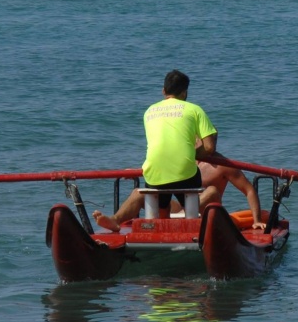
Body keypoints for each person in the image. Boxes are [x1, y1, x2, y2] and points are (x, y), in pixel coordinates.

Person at [93, 69, 217, 230]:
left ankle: (117, 219)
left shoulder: (149, 111)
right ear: (185, 92)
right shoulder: (194, 109)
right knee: (190, 182)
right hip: (185, 173)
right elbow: (209, 147)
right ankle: (200, 224)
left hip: (153, 173)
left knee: (158, 193)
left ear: (163, 91)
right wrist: (193, 153)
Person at [93, 152, 264, 230]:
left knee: (211, 191)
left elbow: (249, 190)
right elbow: (158, 174)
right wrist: (138, 171)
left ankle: (183, 218)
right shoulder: (180, 162)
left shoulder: (222, 165)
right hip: (181, 210)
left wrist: (256, 220)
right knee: (139, 191)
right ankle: (115, 220)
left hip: (205, 214)